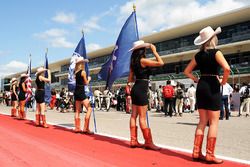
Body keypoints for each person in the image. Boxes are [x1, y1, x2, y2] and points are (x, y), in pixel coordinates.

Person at [184, 26, 230, 164]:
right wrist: (223, 82)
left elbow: (186, 71)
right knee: (214, 122)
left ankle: (196, 152)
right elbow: (227, 68)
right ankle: (210, 155)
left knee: (202, 121)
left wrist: (196, 79)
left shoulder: (198, 55)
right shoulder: (216, 52)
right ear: (213, 39)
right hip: (212, 85)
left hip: (202, 84)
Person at [128, 40, 164, 150]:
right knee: (142, 118)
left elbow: (130, 79)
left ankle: (133, 140)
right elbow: (161, 63)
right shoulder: (143, 60)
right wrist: (155, 51)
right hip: (141, 89)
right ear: (142, 50)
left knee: (134, 115)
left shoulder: (133, 62)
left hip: (136, 87)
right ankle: (148, 142)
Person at [74, 57, 93, 134]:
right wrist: (89, 79)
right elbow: (86, 83)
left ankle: (77, 128)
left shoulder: (75, 72)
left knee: (77, 111)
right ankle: (86, 128)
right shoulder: (83, 72)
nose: (84, 63)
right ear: (81, 63)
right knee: (89, 109)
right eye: (83, 62)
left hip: (76, 91)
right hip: (81, 91)